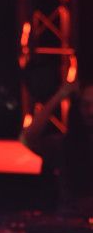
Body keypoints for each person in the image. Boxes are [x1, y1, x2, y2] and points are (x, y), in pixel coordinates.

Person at [20, 81, 93, 216]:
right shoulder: (65, 145)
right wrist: (59, 96)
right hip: (72, 221)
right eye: (86, 105)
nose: (91, 111)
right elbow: (28, 138)